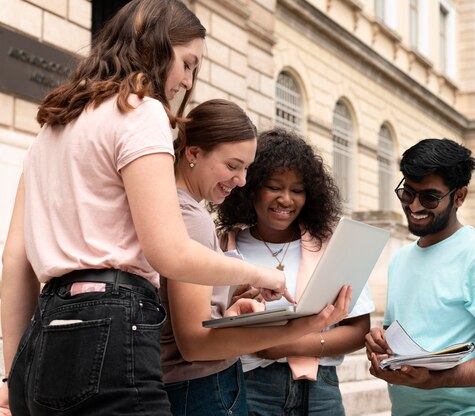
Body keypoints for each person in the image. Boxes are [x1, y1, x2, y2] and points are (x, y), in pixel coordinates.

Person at [0, 1, 290, 415]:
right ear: (154, 46)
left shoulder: (51, 129)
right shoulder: (140, 111)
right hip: (113, 323)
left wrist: (13, 377)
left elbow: (15, 262)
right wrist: (261, 274)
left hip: (45, 335)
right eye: (187, 64)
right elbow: (168, 252)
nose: (187, 82)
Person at [160, 99, 352, 416]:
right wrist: (298, 329)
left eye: (246, 169)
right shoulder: (192, 219)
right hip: (199, 388)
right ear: (193, 153)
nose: (241, 181)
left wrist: (231, 313)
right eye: (233, 166)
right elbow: (194, 343)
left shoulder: (180, 210)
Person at [216, 128, 376, 416]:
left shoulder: (330, 244)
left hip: (321, 393)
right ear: (250, 187)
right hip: (248, 388)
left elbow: (358, 330)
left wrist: (284, 344)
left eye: (297, 190)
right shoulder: (226, 246)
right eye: (274, 187)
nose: (286, 200)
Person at [365, 138, 475, 415]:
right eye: (407, 193)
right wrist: (380, 342)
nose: (414, 206)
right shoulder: (400, 259)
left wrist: (435, 380)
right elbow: (396, 336)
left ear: (459, 196)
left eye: (429, 197)